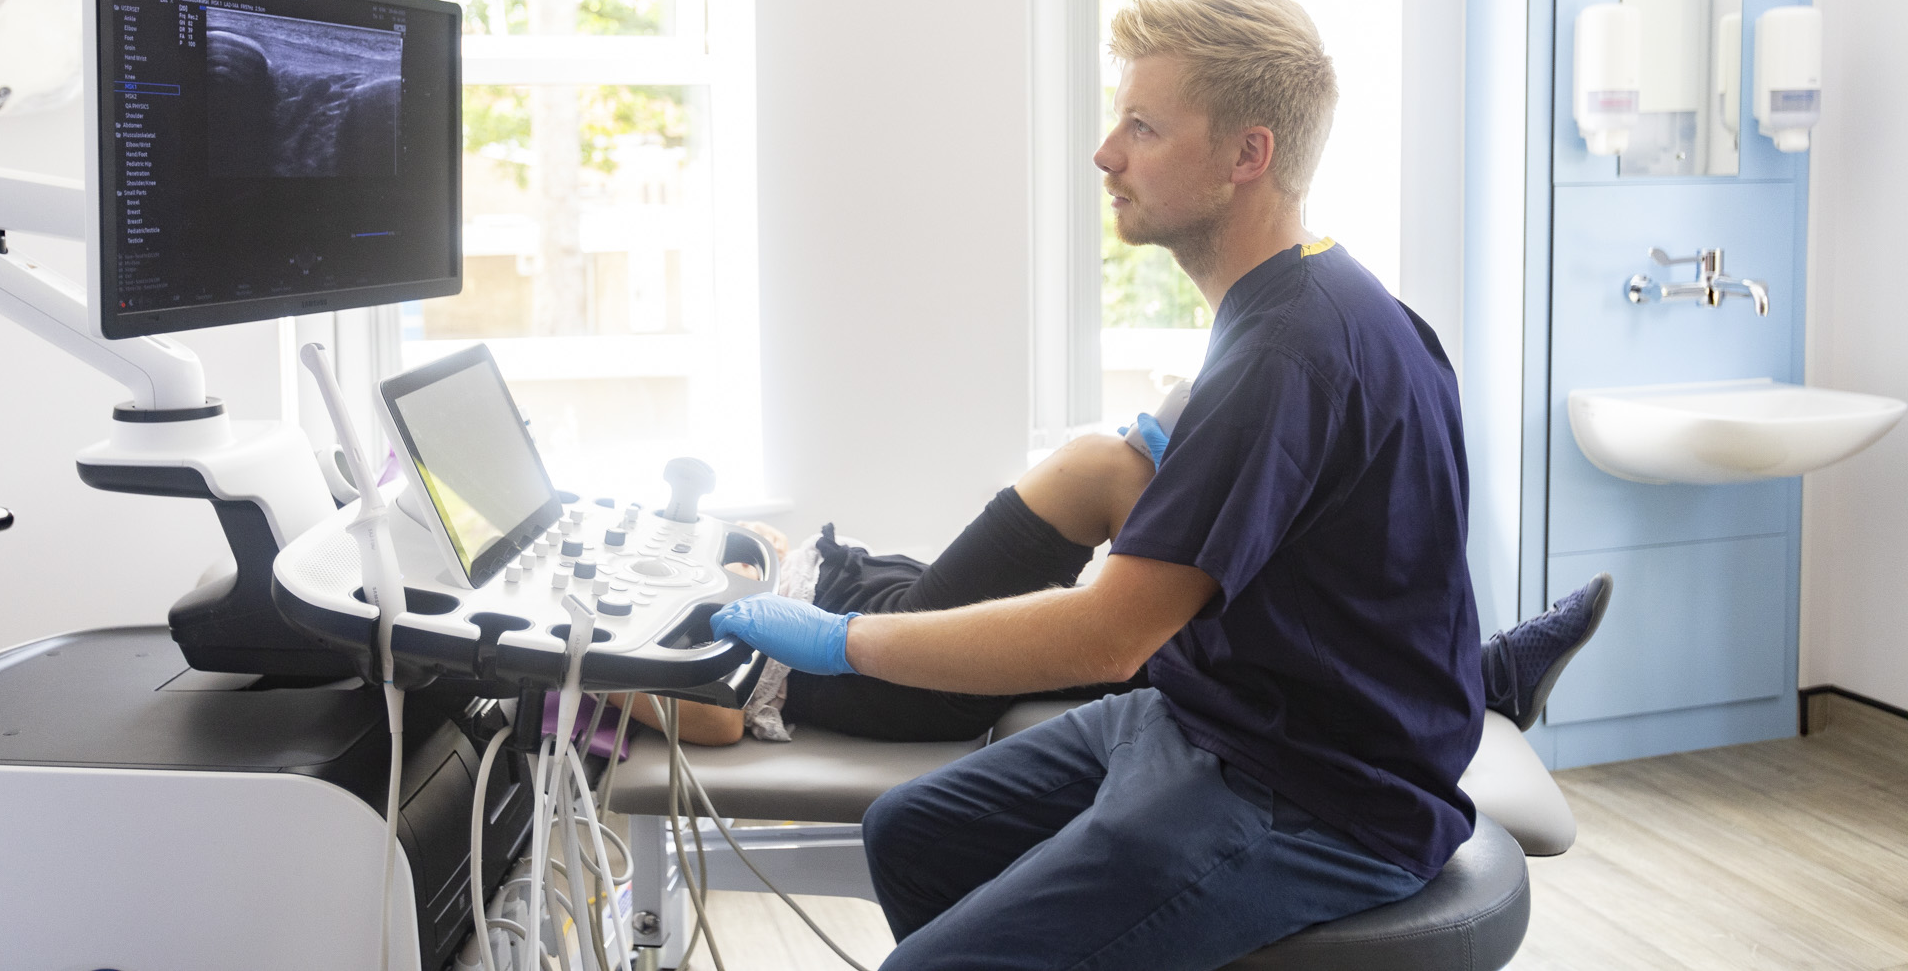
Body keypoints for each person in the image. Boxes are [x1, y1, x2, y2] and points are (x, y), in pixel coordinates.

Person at [708, 0, 1542, 970]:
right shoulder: (1308, 300)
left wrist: (847, 640)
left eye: (1141, 127)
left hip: (1314, 792)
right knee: (911, 829)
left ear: (1247, 155)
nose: (1106, 153)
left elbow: (1106, 634)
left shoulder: (1287, 351)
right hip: (1210, 715)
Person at [641, 426, 1608, 747]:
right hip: (868, 663)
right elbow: (712, 717)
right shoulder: (545, 678)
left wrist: (744, 560)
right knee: (1104, 468)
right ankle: (1468, 676)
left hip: (851, 593)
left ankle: (1470, 678)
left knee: (1169, 639)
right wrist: (587, 677)